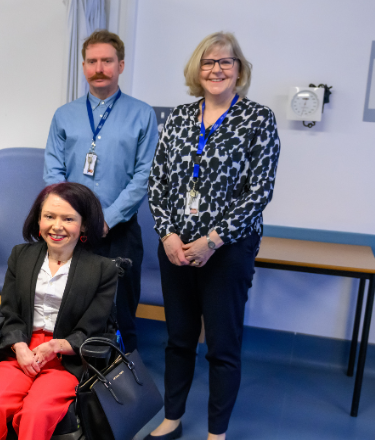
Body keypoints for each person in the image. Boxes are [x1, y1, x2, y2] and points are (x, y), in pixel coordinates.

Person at [145, 32, 280, 440]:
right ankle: (172, 417)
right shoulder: (179, 118)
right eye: (208, 62)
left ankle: (216, 433)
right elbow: (158, 182)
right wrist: (167, 233)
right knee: (179, 340)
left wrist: (213, 241)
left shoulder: (258, 118)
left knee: (222, 346)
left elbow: (259, 192)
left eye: (226, 62)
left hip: (228, 250)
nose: (216, 69)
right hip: (175, 249)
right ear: (196, 70)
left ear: (239, 70)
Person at [0, 182, 118, 440]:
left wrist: (57, 347)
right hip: (23, 348)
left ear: (83, 225)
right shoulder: (21, 256)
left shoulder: (102, 270)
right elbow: (10, 311)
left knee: (36, 412)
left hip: (66, 355)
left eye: (68, 218)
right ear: (38, 220)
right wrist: (19, 346)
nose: (56, 226)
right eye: (49, 216)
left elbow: (92, 328)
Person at [44, 30, 157, 354]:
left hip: (119, 231)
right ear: (83, 66)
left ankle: (122, 389)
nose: (99, 67)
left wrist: (106, 219)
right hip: (71, 232)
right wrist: (69, 218)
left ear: (120, 65)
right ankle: (70, 383)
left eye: (107, 61)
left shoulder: (142, 114)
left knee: (121, 315)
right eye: (92, 61)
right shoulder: (64, 115)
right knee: (68, 309)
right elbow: (53, 171)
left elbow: (144, 175)